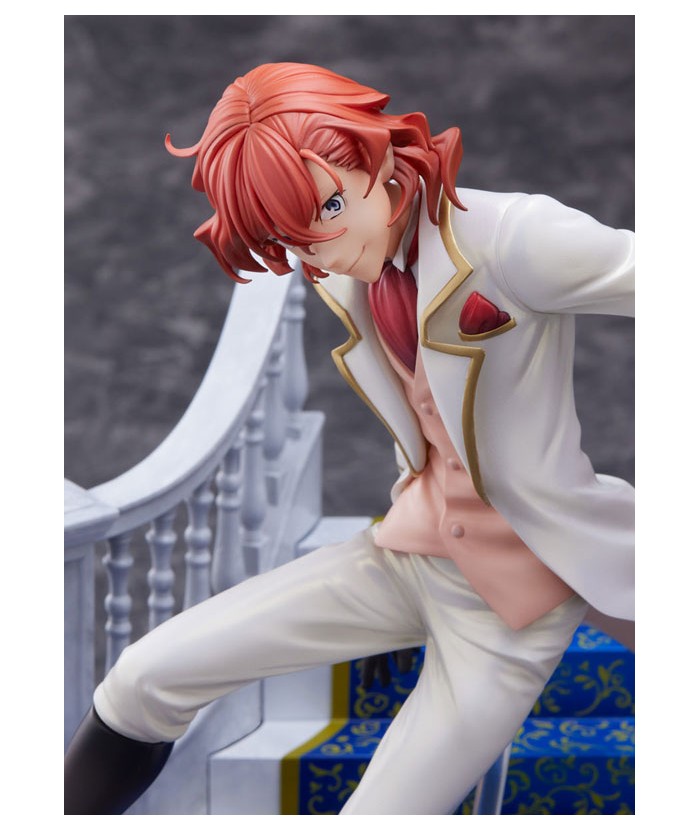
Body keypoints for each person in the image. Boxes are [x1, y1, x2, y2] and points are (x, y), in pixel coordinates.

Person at [64, 62, 634, 815]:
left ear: (380, 155)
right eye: (291, 236)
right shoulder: (342, 265)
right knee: (141, 680)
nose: (322, 251)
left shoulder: (514, 238)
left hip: (510, 601)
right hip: (405, 554)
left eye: (330, 206)